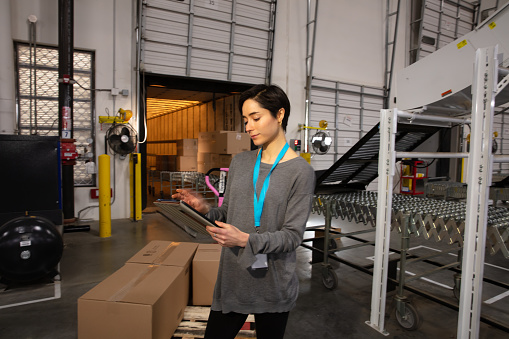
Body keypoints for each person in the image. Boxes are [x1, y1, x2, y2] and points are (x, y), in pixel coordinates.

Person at [172, 84, 315, 339]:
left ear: (279, 115)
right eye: (245, 120)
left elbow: (292, 236)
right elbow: (227, 212)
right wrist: (204, 209)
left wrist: (246, 240)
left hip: (274, 284)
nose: (248, 127)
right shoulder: (240, 162)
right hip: (234, 276)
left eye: (256, 118)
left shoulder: (300, 172)